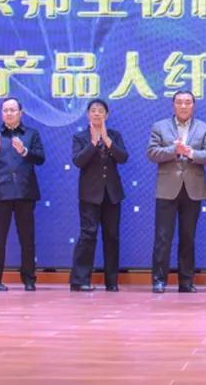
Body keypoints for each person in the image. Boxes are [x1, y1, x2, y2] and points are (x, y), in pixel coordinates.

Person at [146, 90, 206, 293]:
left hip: (193, 189)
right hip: (167, 189)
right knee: (162, 237)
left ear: (193, 105)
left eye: (187, 102)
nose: (183, 106)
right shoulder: (159, 126)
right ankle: (159, 280)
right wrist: (173, 151)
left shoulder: (205, 128)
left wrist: (190, 152)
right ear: (173, 105)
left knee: (188, 238)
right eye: (179, 102)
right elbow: (152, 153)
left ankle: (186, 282)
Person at [0, 97, 46, 291]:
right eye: (5, 110)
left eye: (12, 110)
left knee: (27, 238)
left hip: (25, 192)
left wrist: (25, 151)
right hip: (2, 193)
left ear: (21, 113)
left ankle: (29, 279)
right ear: (1, 113)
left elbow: (40, 158)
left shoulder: (31, 134)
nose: (9, 113)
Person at [69, 99, 128, 292]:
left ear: (106, 115)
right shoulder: (80, 137)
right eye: (93, 110)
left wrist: (107, 141)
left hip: (112, 194)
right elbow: (78, 161)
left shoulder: (115, 135)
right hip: (89, 195)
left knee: (112, 236)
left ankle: (111, 282)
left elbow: (123, 157)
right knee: (88, 235)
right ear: (88, 114)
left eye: (100, 111)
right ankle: (80, 280)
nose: (96, 113)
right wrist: (94, 142)